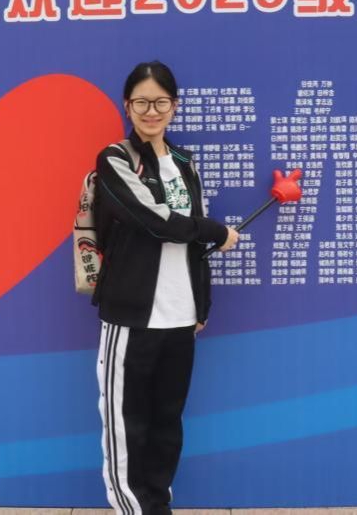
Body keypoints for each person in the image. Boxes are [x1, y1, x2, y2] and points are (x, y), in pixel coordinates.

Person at [92, 61, 239, 515]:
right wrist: (215, 230)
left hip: (180, 317)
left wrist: (201, 303)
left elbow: (192, 246)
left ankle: (158, 506)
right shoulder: (115, 159)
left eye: (160, 102)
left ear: (174, 106)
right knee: (126, 425)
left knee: (166, 424)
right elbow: (151, 220)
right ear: (127, 106)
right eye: (141, 102)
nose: (151, 111)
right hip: (132, 316)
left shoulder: (185, 163)